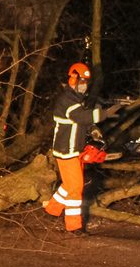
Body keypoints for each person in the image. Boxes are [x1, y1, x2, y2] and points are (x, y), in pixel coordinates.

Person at [43, 62, 120, 232]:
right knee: (76, 187)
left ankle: (53, 208)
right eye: (82, 81)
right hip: (65, 151)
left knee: (71, 183)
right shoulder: (67, 101)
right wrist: (105, 114)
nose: (84, 86)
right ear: (73, 79)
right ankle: (74, 226)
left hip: (73, 149)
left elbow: (81, 121)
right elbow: (81, 116)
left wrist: (93, 130)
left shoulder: (75, 99)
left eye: (86, 82)